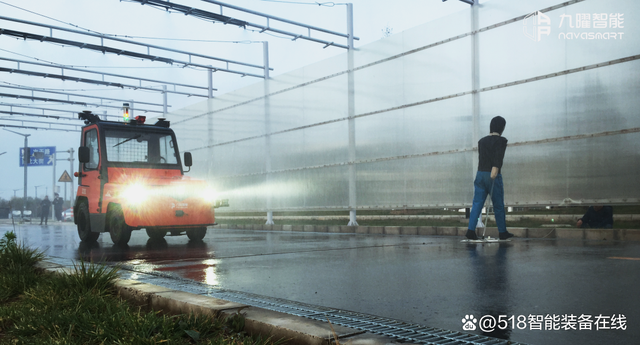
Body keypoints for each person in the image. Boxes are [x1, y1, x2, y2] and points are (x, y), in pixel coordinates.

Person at [466, 116, 514, 240]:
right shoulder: (502, 141)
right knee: (498, 205)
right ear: (502, 128)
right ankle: (502, 232)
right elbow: (498, 158)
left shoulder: (481, 141)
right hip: (493, 174)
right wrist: (495, 170)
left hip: (480, 174)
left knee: (477, 204)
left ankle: (470, 231)